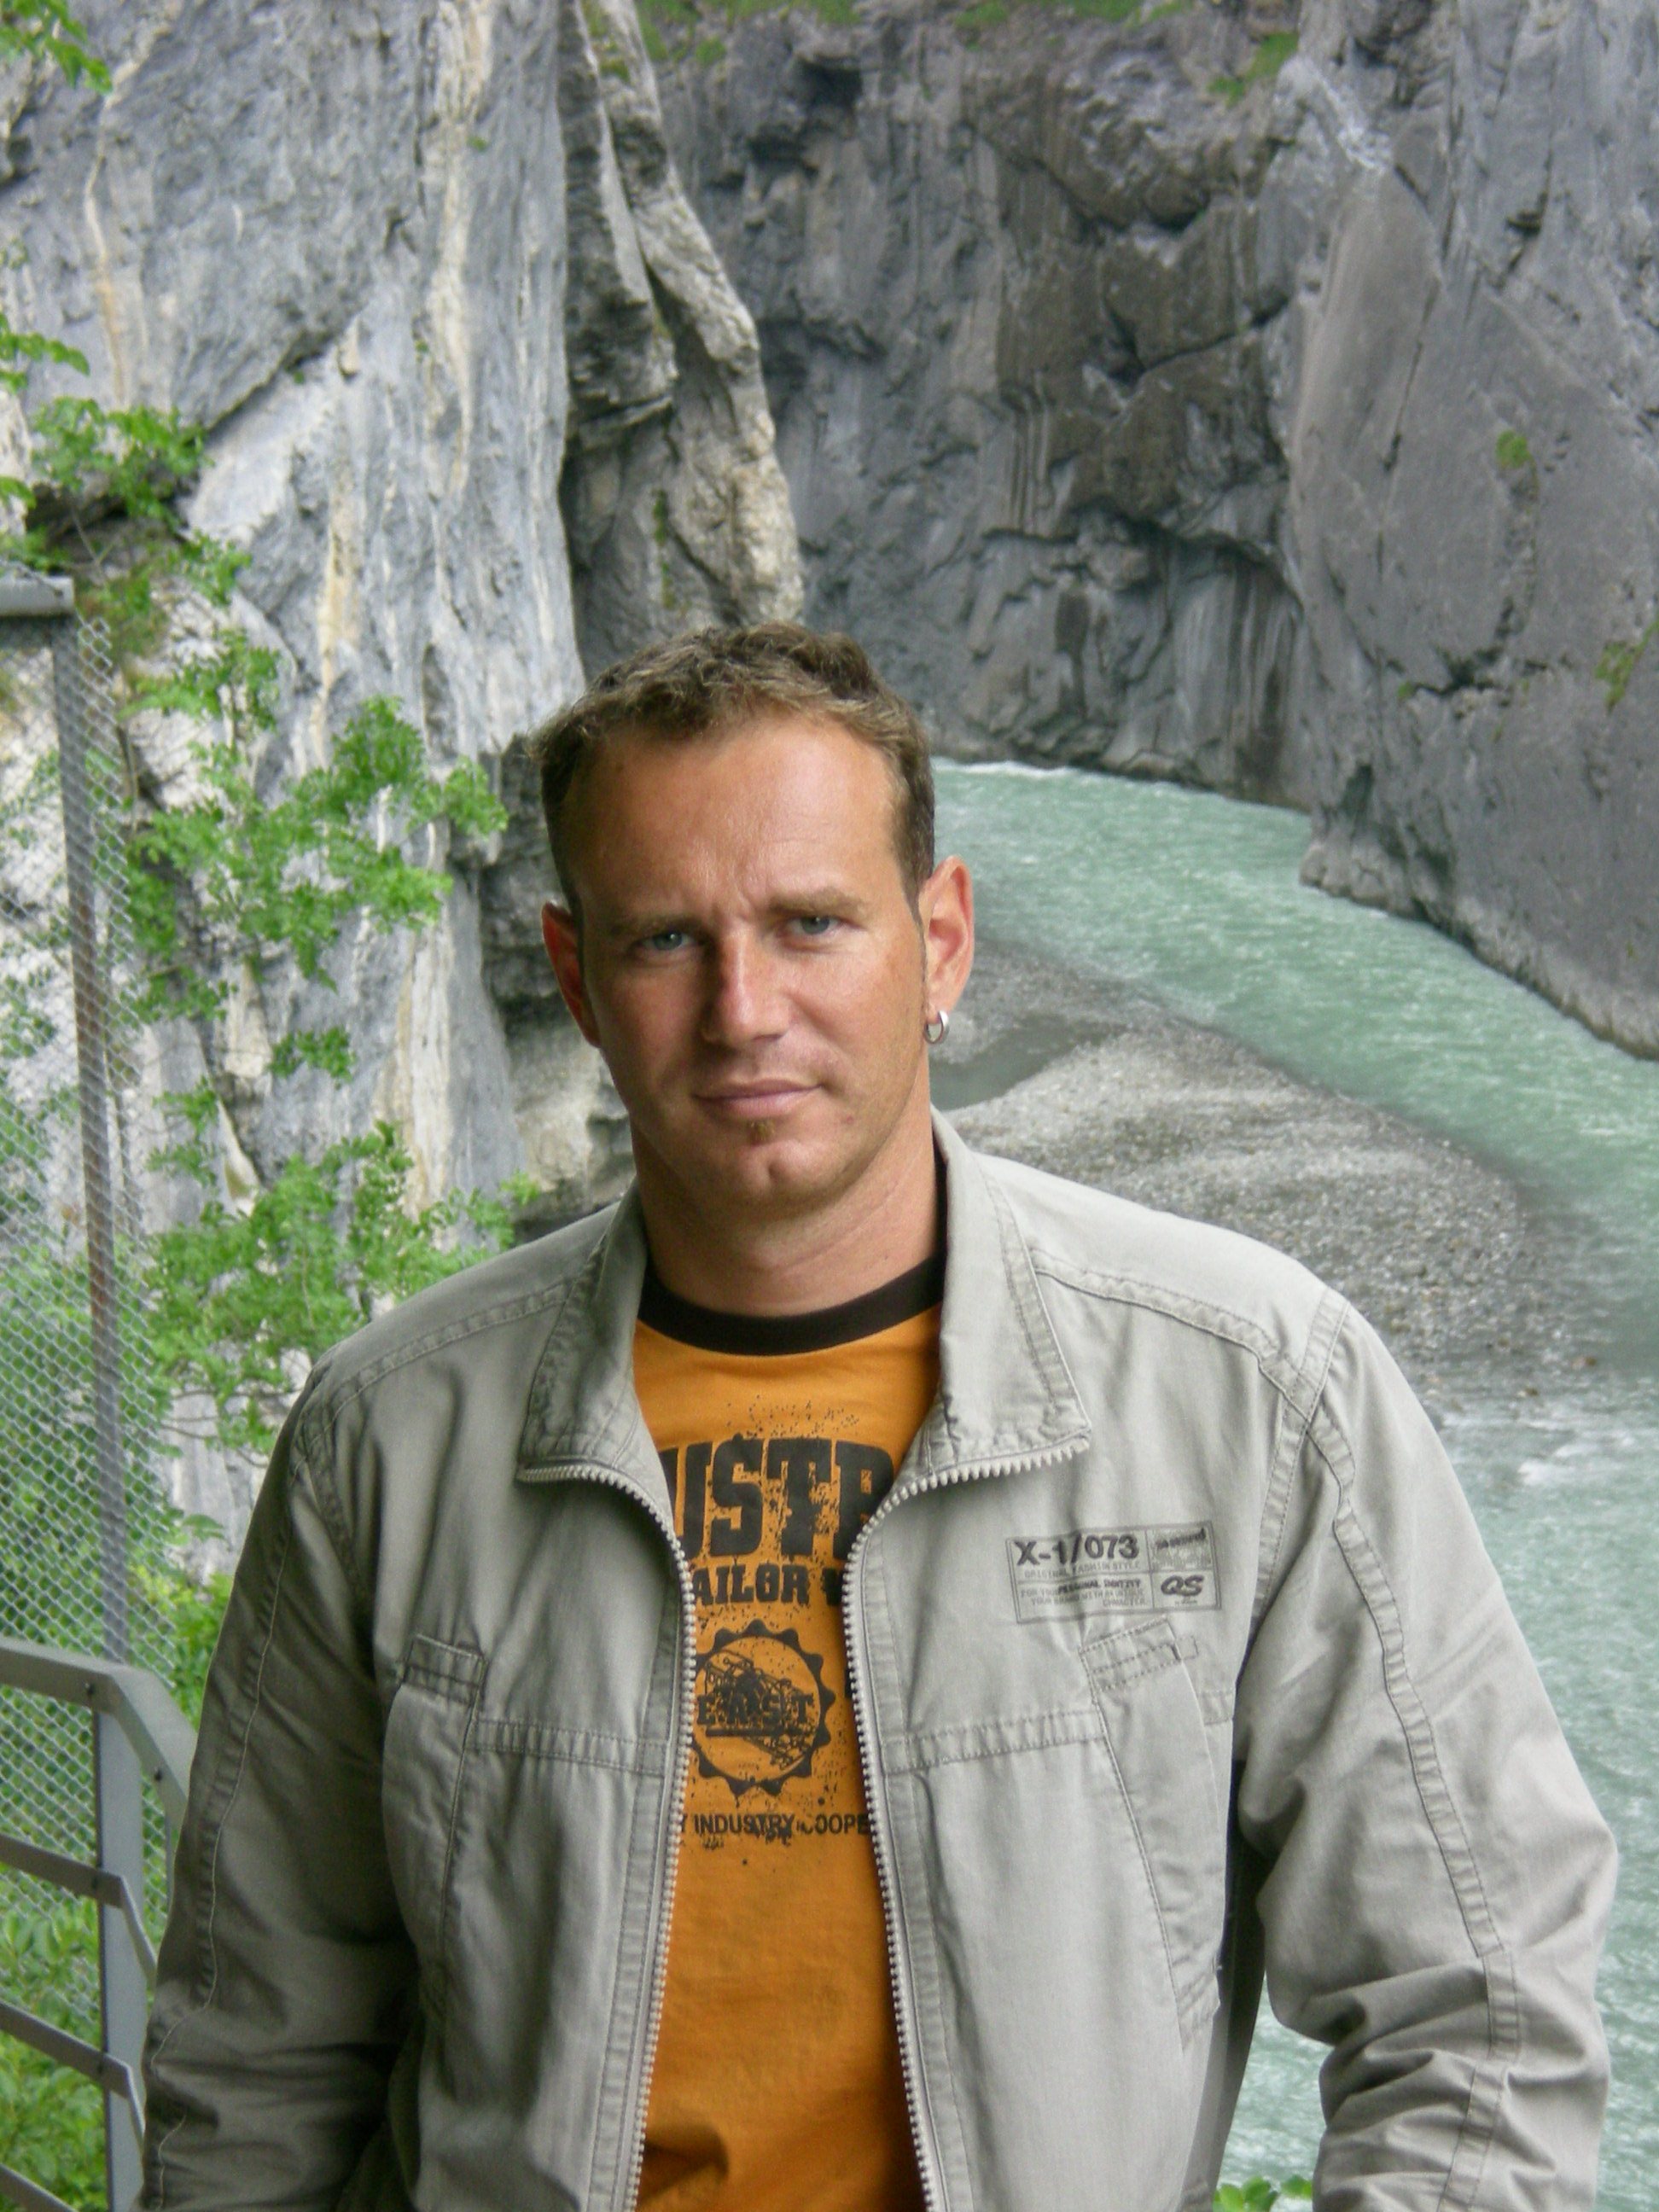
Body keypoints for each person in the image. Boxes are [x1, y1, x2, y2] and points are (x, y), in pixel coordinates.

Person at [141, 622, 1615, 2212]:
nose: (744, 1009)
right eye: (665, 940)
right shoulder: (387, 1442)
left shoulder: (1249, 1387)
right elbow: (255, 2072)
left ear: (943, 941)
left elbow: (1482, 2006)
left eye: (812, 924)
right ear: (575, 979)